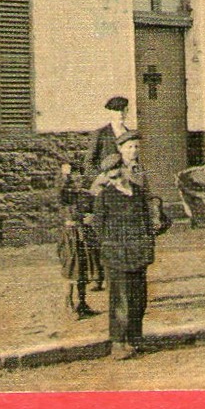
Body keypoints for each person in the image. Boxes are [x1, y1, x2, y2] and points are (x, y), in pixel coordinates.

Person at [90, 129, 169, 359]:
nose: (116, 177)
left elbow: (149, 213)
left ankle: (135, 339)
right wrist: (113, 242)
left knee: (138, 297)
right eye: (111, 175)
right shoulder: (106, 195)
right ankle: (118, 342)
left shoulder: (138, 191)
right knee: (120, 299)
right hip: (117, 252)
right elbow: (99, 225)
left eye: (118, 174)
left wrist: (153, 228)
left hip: (137, 252)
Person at [81, 95, 130, 290]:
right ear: (110, 113)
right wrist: (102, 177)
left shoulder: (128, 134)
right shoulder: (100, 134)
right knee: (100, 232)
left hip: (124, 190)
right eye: (117, 110)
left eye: (124, 110)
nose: (121, 114)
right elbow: (88, 163)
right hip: (103, 190)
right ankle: (97, 275)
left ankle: (117, 273)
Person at [55, 163, 97, 318]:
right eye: (74, 177)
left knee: (83, 270)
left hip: (83, 235)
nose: (78, 179)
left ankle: (82, 304)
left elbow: (95, 209)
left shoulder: (85, 195)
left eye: (80, 176)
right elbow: (61, 193)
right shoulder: (65, 195)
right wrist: (65, 175)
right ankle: (69, 305)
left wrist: (91, 217)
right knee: (71, 270)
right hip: (70, 237)